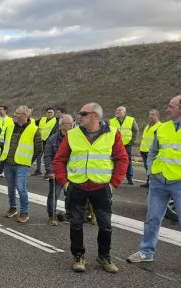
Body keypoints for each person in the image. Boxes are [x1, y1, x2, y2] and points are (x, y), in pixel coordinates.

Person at [52, 103, 128, 273]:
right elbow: (59, 160)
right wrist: (65, 182)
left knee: (105, 225)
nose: (79, 116)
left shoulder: (112, 134)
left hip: (101, 187)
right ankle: (78, 256)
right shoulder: (72, 134)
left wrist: (113, 184)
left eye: (83, 114)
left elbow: (122, 159)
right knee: (76, 224)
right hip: (76, 186)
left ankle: (104, 256)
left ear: (95, 116)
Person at [127, 95, 181, 264]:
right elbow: (153, 151)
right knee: (152, 218)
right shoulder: (163, 128)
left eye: (171, 106)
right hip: (158, 181)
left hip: (179, 182)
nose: (167, 109)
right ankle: (146, 251)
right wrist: (150, 169)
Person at [1, 105, 42, 223]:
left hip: (22, 165)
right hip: (8, 163)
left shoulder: (34, 129)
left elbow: (39, 148)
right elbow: (6, 143)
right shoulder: (9, 127)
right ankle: (13, 208)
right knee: (10, 188)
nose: (15, 115)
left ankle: (24, 212)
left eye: (17, 113)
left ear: (25, 115)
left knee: (21, 188)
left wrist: (29, 160)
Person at [43, 114, 74, 225]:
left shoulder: (77, 138)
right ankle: (52, 216)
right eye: (68, 123)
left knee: (71, 195)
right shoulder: (52, 139)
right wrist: (50, 171)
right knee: (53, 195)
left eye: (72, 123)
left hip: (73, 173)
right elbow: (47, 156)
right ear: (61, 125)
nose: (72, 125)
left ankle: (70, 215)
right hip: (57, 173)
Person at [109, 106, 138, 185]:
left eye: (120, 110)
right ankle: (113, 178)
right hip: (114, 145)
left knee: (127, 161)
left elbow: (136, 131)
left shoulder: (131, 120)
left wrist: (132, 141)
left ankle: (129, 178)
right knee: (114, 161)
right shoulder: (111, 121)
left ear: (125, 112)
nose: (117, 111)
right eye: (117, 110)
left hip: (126, 145)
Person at [139, 109, 162, 188]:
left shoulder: (160, 126)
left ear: (157, 116)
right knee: (147, 167)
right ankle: (149, 182)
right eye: (150, 114)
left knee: (152, 167)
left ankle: (153, 183)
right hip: (144, 150)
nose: (150, 116)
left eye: (153, 115)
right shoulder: (148, 126)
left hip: (152, 151)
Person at [34, 107, 58, 175]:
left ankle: (49, 171)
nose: (50, 114)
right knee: (38, 156)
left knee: (48, 157)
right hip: (41, 141)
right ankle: (38, 170)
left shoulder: (57, 120)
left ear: (54, 113)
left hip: (50, 142)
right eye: (48, 112)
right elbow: (33, 124)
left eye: (51, 112)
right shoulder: (42, 119)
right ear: (46, 113)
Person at [0, 105, 13, 177]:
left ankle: (2, 172)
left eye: (1, 109)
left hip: (5, 141)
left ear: (5, 110)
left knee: (4, 157)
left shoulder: (10, 120)